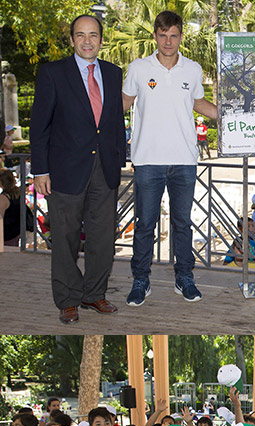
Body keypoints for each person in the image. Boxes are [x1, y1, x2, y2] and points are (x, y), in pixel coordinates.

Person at [30, 14, 125, 324]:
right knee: (66, 238)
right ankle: (68, 299)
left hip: (105, 169)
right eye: (81, 35)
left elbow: (112, 123)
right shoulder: (53, 73)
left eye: (93, 35)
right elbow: (39, 125)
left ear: (101, 40)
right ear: (71, 40)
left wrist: (119, 161)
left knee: (102, 238)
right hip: (64, 170)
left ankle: (94, 294)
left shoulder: (112, 73)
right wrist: (40, 169)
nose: (87, 40)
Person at [123, 10, 217, 307]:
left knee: (182, 223)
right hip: (147, 160)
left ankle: (184, 278)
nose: (168, 41)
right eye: (162, 35)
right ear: (155, 36)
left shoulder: (192, 69)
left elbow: (200, 103)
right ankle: (141, 280)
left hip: (184, 160)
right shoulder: (138, 68)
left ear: (180, 36)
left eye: (173, 35)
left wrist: (233, 115)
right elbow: (120, 104)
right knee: (145, 224)